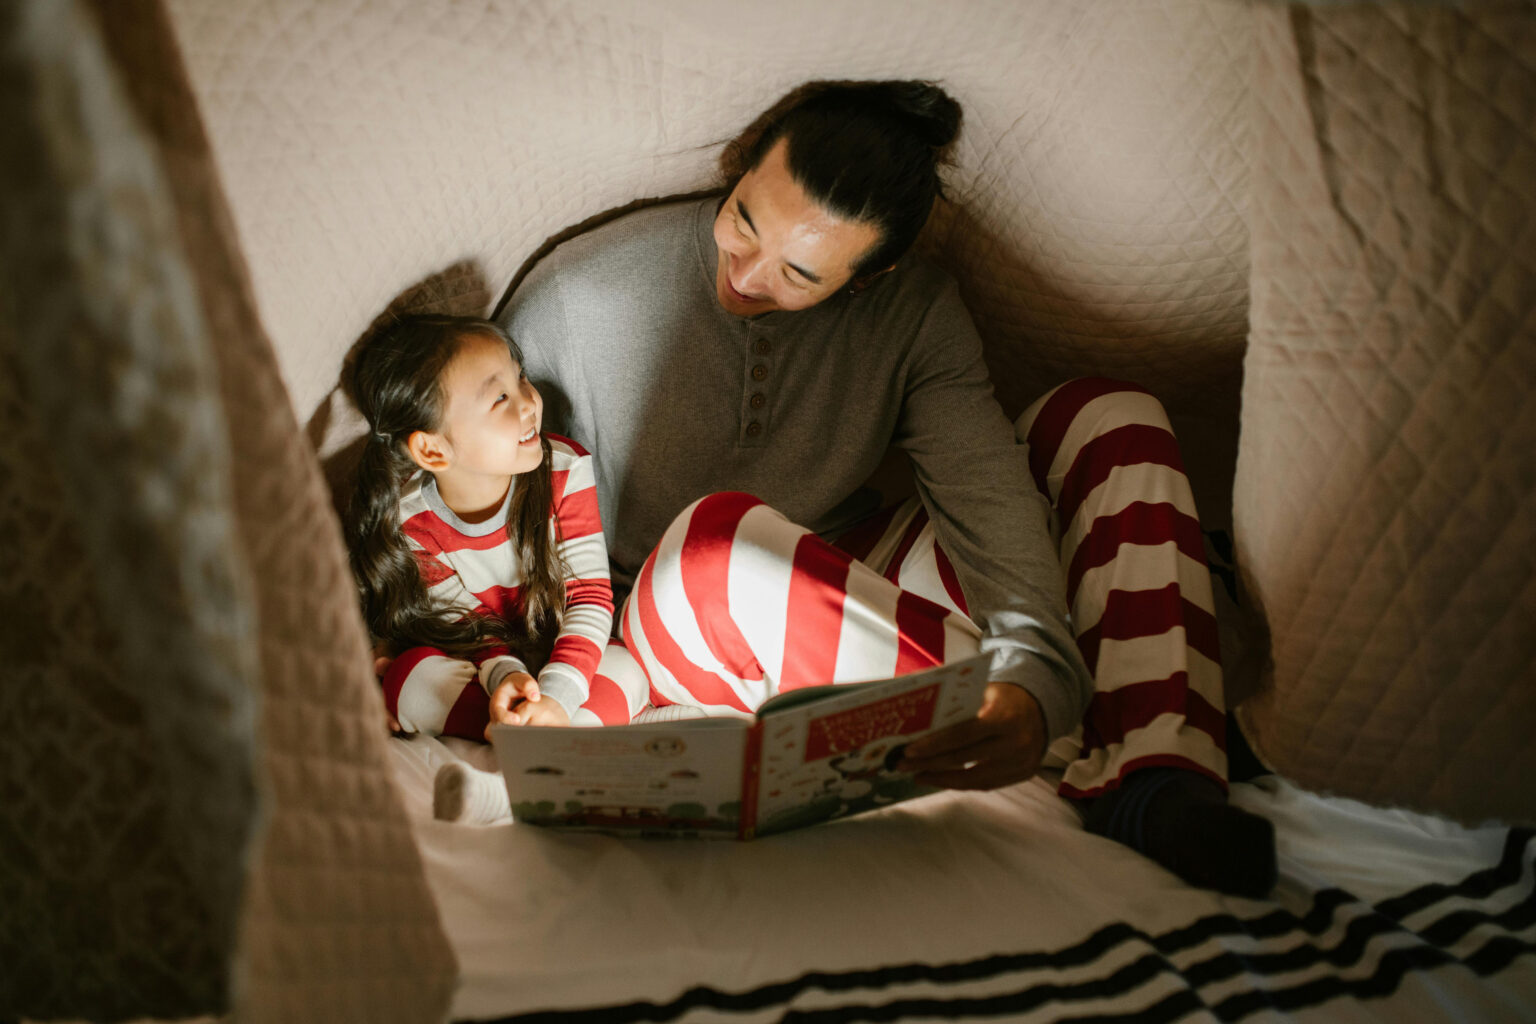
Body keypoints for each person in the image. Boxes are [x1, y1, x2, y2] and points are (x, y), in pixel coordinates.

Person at [498, 79, 1276, 896]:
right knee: (714, 545)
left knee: (1112, 414)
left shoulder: (916, 312)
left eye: (800, 272)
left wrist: (1032, 673)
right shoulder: (580, 300)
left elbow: (981, 492)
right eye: (743, 219)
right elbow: (487, 523)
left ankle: (1153, 774)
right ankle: (1119, 709)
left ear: (870, 275)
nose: (749, 273)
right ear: (739, 169)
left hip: (859, 576)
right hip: (670, 610)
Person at [344, 314, 647, 737]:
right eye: (499, 398)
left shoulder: (565, 468)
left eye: (520, 378)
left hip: (573, 654)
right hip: (485, 666)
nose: (529, 403)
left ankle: (540, 738)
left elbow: (589, 597)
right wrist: (506, 681)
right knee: (407, 680)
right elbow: (470, 630)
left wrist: (558, 696)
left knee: (630, 671)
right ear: (432, 451)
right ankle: (525, 737)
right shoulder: (412, 524)